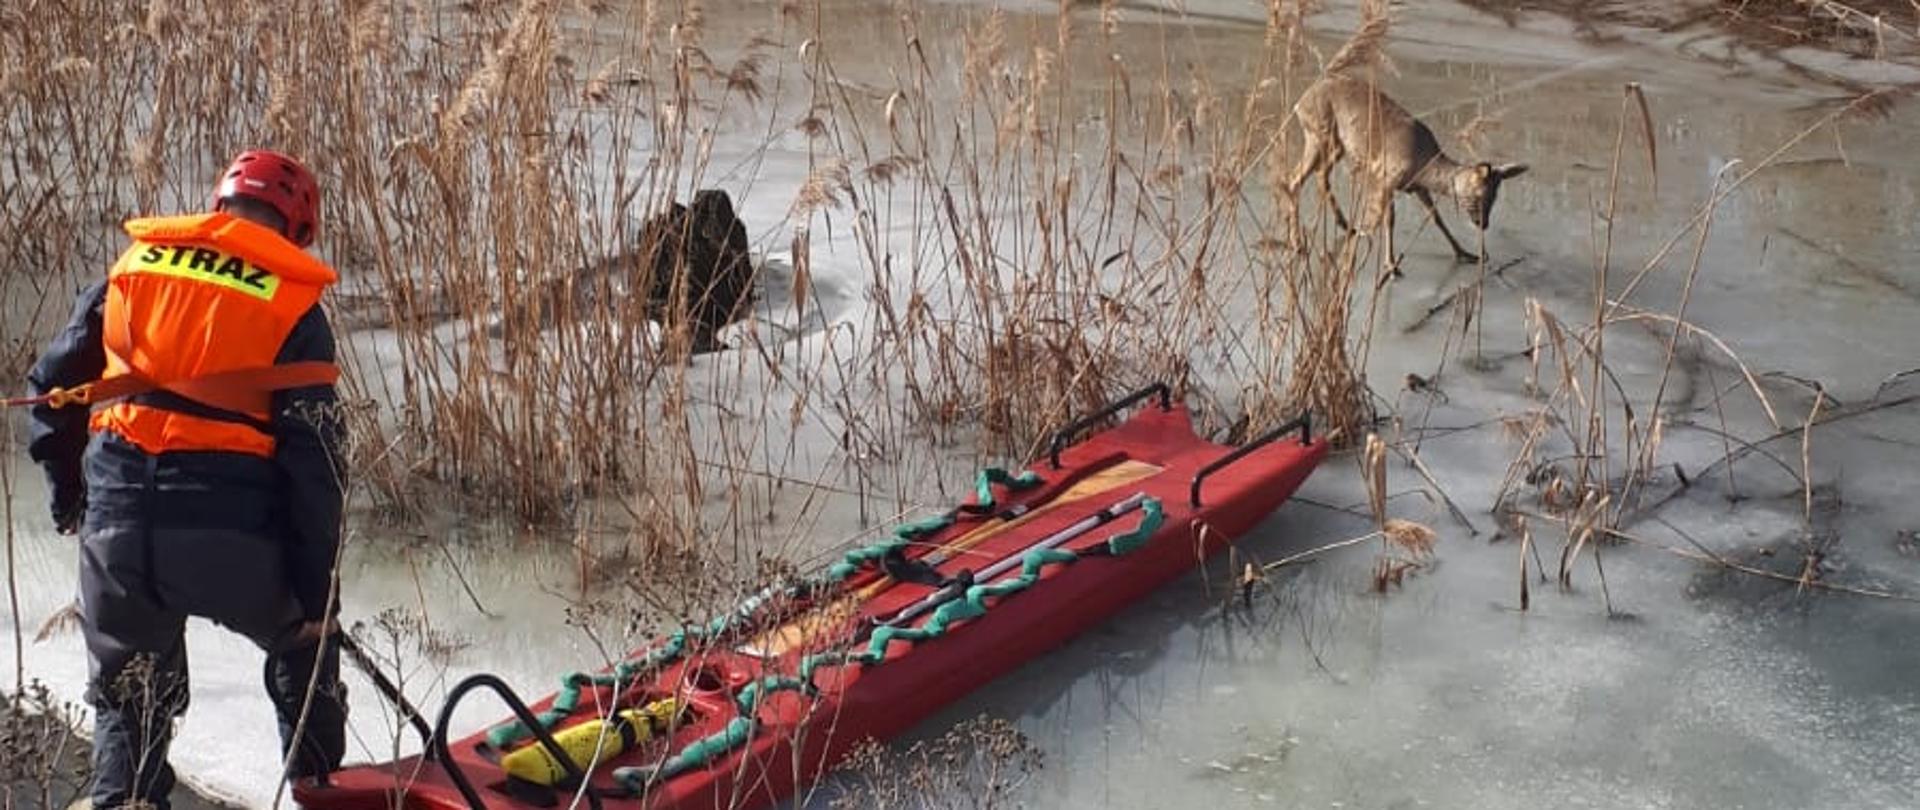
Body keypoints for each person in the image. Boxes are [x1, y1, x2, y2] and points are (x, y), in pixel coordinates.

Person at [24, 149, 350, 808]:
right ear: (298, 229)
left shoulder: (133, 270)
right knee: (303, 650)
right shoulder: (292, 304)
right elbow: (315, 468)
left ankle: (127, 802)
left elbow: (50, 391)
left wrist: (71, 502)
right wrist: (318, 607)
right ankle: (326, 793)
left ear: (216, 206)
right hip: (228, 538)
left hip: (115, 526)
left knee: (128, 699)